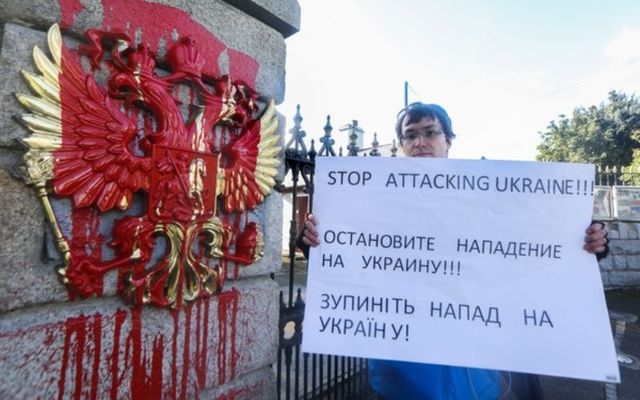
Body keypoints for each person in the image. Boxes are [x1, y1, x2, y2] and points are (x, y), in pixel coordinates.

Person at [299, 102, 609, 400]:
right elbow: (348, 260)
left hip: (475, 378)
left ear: (449, 140)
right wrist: (313, 242)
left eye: (430, 132)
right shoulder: (372, 200)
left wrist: (590, 245)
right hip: (400, 378)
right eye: (410, 135)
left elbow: (535, 251)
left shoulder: (490, 197)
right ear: (403, 144)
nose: (420, 141)